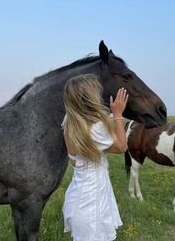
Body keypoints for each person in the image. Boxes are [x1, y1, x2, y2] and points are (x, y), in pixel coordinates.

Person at [62, 73, 129, 241]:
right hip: (92, 202)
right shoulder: (96, 128)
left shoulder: (69, 122)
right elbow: (122, 146)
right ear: (89, 98)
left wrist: (93, 151)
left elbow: (74, 161)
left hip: (79, 196)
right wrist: (118, 113)